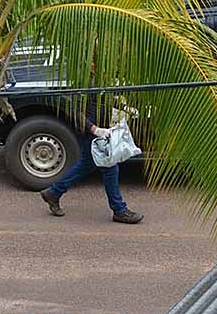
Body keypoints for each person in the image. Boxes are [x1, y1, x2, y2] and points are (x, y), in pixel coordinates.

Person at [39, 95, 144, 224]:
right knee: (110, 168)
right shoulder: (85, 79)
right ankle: (119, 210)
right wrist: (93, 129)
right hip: (92, 132)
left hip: (98, 131)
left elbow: (105, 98)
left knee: (85, 166)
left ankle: (53, 193)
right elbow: (73, 109)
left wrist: (124, 107)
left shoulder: (100, 77)